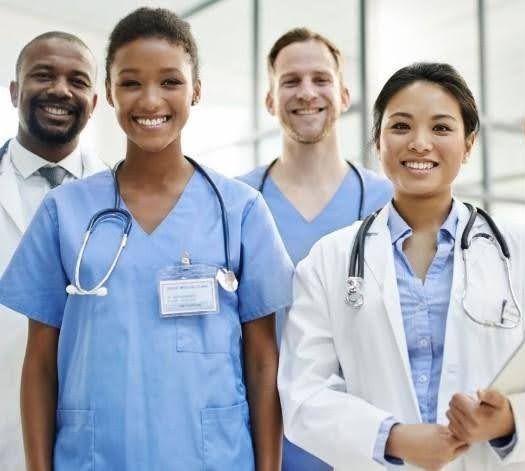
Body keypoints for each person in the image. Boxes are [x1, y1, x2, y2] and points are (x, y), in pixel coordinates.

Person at [0, 8, 292, 471]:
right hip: (95, 457)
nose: (150, 100)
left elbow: (263, 361)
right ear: (109, 94)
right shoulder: (64, 211)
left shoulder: (241, 210)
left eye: (171, 82)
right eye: (131, 82)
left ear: (196, 89)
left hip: (213, 458)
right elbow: (39, 364)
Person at [278, 62, 525, 471]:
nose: (420, 143)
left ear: (468, 144)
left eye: (442, 128)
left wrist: (508, 420)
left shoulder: (521, 252)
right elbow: (303, 396)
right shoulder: (329, 260)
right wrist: (393, 438)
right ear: (377, 141)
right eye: (401, 126)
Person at [238, 27, 392, 471]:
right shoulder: (237, 201)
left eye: (321, 80)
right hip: (266, 441)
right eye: (290, 81)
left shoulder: (387, 202)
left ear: (343, 94)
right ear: (270, 100)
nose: (307, 93)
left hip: (367, 436)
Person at [0, 31, 105, 470]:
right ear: (14, 91)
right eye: (43, 75)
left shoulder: (123, 198)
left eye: (77, 81)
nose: (60, 90)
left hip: (96, 438)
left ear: (95, 102)